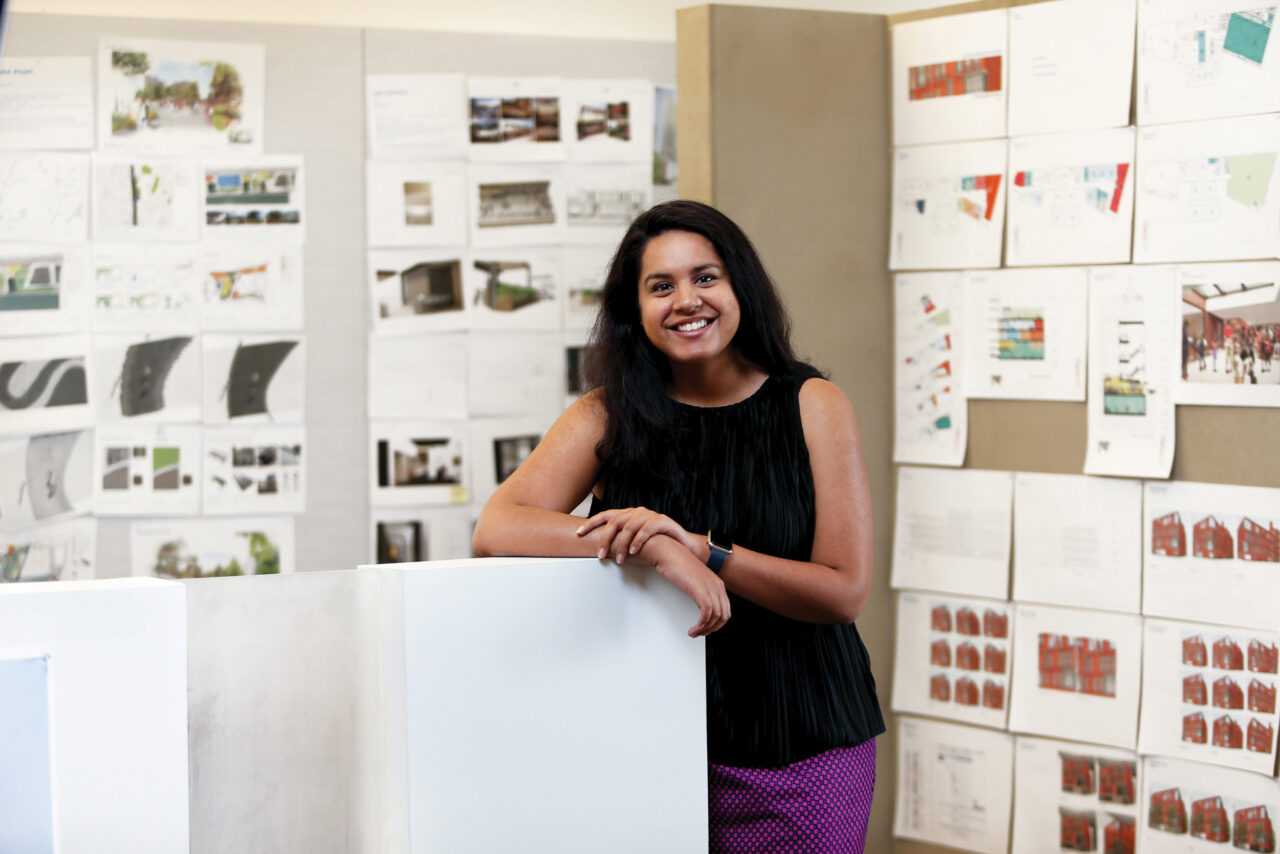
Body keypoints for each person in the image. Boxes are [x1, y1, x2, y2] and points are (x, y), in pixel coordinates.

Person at [473, 200, 884, 853]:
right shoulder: (605, 416)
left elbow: (843, 591)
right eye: (660, 286)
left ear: (739, 285)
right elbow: (497, 527)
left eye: (705, 277)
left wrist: (705, 550)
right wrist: (657, 547)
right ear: (634, 312)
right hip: (643, 745)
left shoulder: (813, 405)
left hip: (800, 745)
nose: (686, 300)